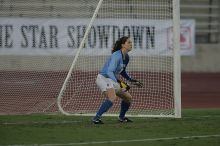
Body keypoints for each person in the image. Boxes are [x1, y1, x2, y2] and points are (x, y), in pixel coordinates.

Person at [92, 36, 143, 124]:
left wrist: (131, 80)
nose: (131, 44)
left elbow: (122, 71)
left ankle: (121, 118)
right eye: (129, 42)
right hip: (104, 78)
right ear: (123, 45)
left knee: (128, 98)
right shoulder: (116, 55)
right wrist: (118, 83)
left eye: (131, 42)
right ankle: (96, 118)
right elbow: (109, 71)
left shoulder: (126, 57)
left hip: (112, 79)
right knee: (112, 97)